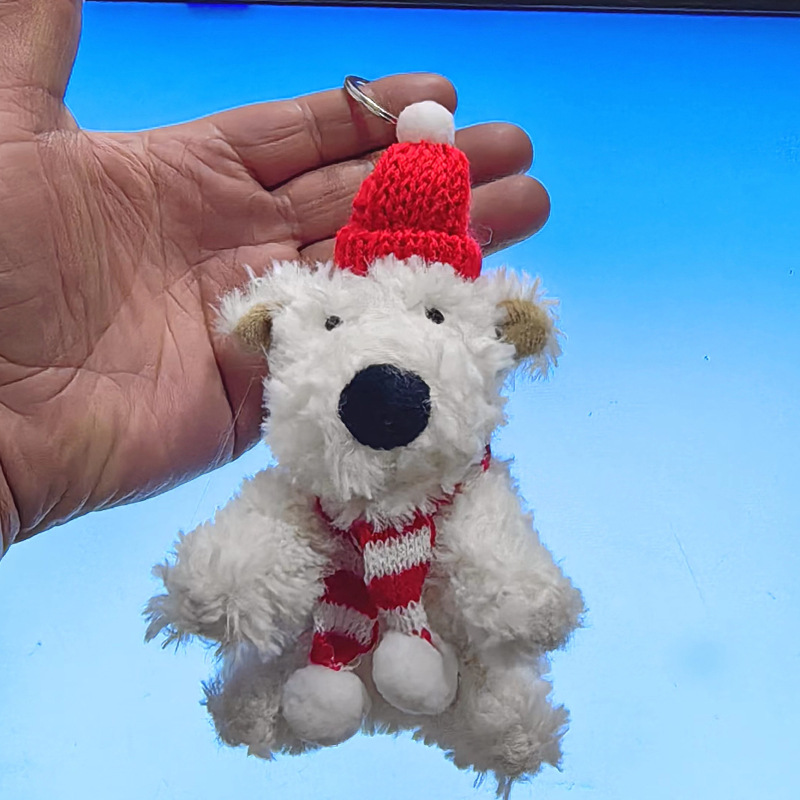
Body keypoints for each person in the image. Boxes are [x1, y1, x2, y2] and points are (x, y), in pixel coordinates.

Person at [0, 0, 550, 554]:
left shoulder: (472, 500)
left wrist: (14, 462)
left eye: (434, 315)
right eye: (333, 322)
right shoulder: (308, 496)